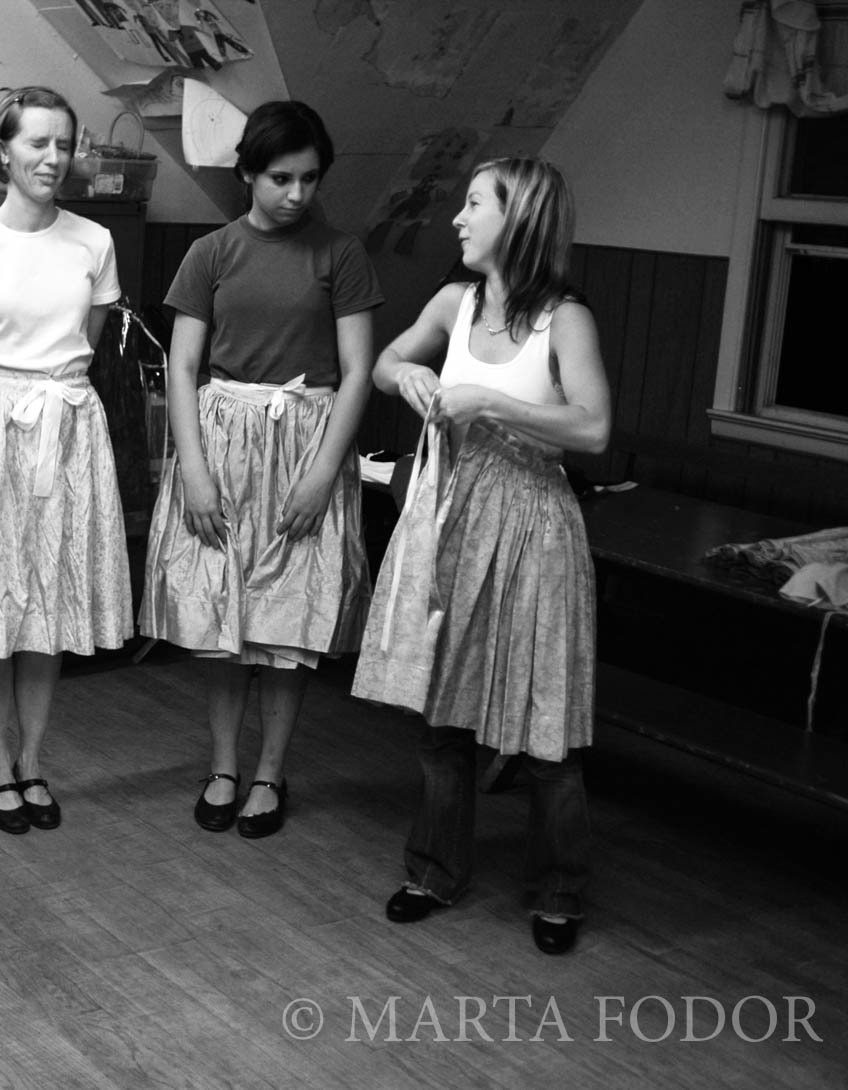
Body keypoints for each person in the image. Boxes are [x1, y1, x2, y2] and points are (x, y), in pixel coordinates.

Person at [351, 157, 609, 955]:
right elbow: (388, 361)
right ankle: (433, 869)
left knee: (548, 728)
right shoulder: (453, 303)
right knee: (443, 713)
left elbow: (595, 431)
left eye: (473, 204)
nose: (457, 219)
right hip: (455, 518)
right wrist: (414, 380)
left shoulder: (565, 319)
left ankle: (559, 889)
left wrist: (491, 401)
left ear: (519, 218)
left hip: (536, 524)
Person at [139, 101, 380, 839]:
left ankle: (271, 772)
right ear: (248, 173)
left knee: (287, 624)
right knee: (220, 620)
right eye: (281, 178)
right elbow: (181, 366)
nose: (298, 194)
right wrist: (195, 474)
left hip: (306, 441)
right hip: (222, 441)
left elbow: (359, 368)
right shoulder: (212, 252)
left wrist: (322, 472)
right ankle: (221, 765)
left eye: (310, 179)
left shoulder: (340, 254)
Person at [0, 86, 130, 835]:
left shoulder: (93, 242)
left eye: (64, 143)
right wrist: (13, 389)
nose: (53, 157)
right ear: (3, 150)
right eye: (37, 143)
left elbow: (93, 334)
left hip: (70, 425)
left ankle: (36, 760)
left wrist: (51, 391)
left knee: (49, 602)